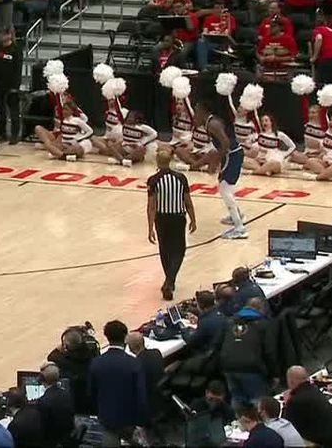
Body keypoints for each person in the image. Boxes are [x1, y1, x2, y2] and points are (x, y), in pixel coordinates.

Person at [192, 98, 247, 239]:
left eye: (196, 111)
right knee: (224, 187)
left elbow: (226, 143)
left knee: (225, 189)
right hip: (230, 155)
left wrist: (216, 161)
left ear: (203, 111)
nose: (194, 114)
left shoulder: (213, 124)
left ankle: (240, 228)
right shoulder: (209, 123)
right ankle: (237, 215)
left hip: (232, 155)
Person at [146, 146, 196, 300]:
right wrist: (193, 219)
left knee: (165, 250)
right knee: (179, 250)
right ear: (170, 161)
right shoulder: (181, 178)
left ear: (157, 161)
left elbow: (151, 206)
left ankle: (169, 280)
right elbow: (188, 202)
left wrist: (150, 228)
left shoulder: (153, 180)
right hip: (178, 218)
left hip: (161, 219)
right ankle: (170, 281)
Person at [88, 320, 147, 446]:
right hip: (130, 419)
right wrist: (141, 423)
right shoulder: (134, 363)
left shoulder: (96, 363)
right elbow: (141, 395)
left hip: (107, 418)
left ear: (107, 336)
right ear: (125, 337)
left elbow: (92, 393)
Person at [220, 297, 275, 405]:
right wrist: (274, 374)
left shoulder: (229, 322)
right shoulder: (263, 324)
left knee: (237, 400)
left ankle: (239, 415)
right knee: (258, 402)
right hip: (251, 368)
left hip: (228, 366)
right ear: (261, 309)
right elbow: (269, 352)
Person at [282, 365, 332, 448]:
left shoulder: (296, 400)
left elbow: (287, 425)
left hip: (323, 443)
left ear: (291, 381)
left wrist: (287, 403)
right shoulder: (315, 390)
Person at [126, 332, 165, 424]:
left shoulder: (135, 365)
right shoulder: (156, 353)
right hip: (162, 396)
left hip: (150, 404)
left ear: (131, 348)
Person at [37, 363, 75, 447]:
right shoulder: (68, 395)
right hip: (66, 440)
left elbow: (41, 429)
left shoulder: (43, 401)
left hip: (51, 443)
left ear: (42, 379)